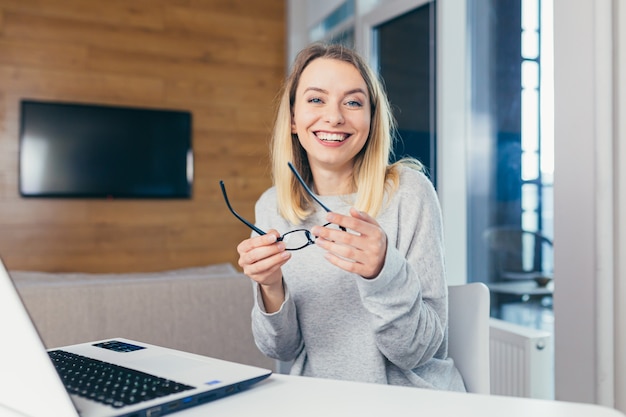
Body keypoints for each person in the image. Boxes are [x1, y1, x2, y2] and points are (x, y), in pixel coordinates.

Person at [233, 42, 465, 391]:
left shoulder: (409, 193)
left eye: (353, 102)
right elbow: (279, 349)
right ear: (294, 119)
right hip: (319, 401)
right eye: (316, 99)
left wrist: (383, 273)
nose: (334, 116)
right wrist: (269, 287)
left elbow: (417, 350)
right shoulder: (272, 207)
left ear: (371, 120)